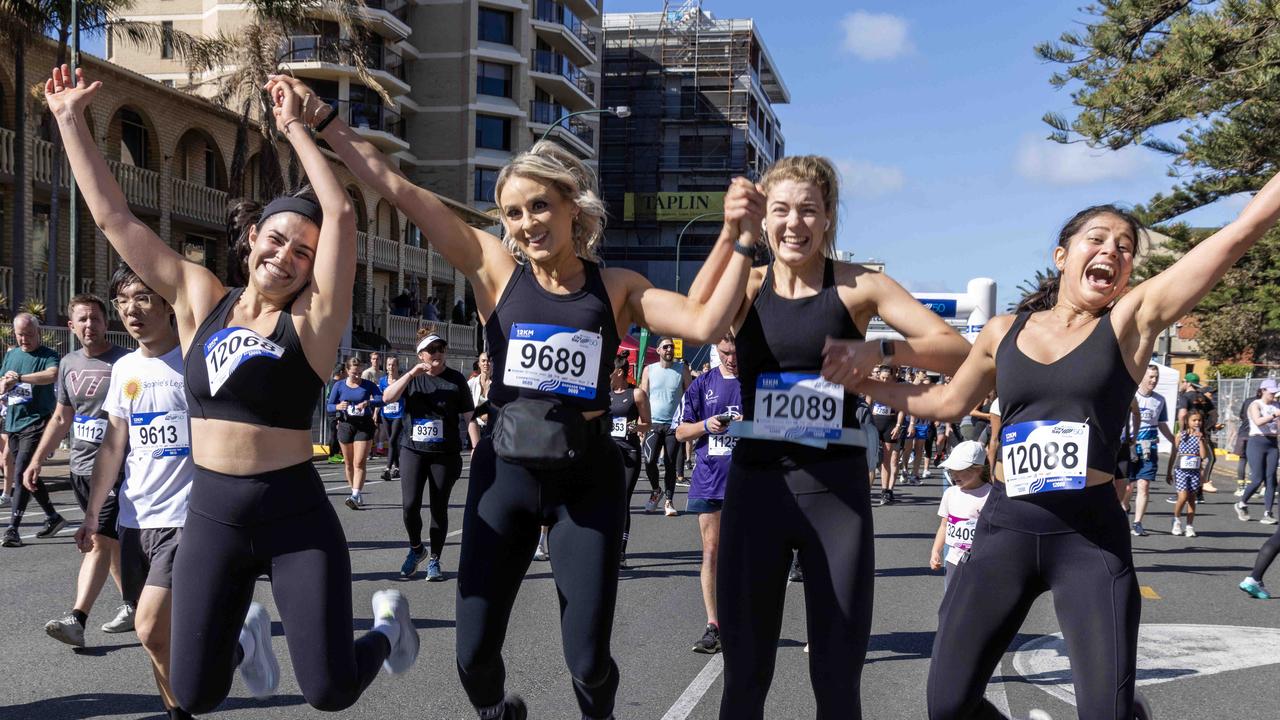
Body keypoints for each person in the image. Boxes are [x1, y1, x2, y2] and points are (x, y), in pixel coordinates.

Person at [303, 61, 755, 717]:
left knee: (589, 659)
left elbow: (707, 322)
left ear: (574, 207)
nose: (526, 223)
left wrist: (739, 239)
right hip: (504, 473)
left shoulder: (618, 288)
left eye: (540, 206)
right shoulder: (494, 270)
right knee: (472, 655)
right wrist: (324, 124)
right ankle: (497, 713)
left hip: (587, 480)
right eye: (513, 213)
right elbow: (397, 189)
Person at [49, 66, 418, 715]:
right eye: (276, 239)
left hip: (294, 515)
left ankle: (389, 629)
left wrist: (298, 129)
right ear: (251, 240)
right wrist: (69, 120)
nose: (286, 255)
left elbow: (338, 213)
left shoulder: (313, 322)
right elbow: (110, 217)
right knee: (193, 694)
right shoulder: (198, 298)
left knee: (329, 691)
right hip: (212, 515)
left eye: (303, 252)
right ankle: (248, 644)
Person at [844, 182, 1280, 718]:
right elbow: (946, 402)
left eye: (1124, 247)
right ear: (1062, 256)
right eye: (1097, 239)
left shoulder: (1129, 324)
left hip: (1089, 537)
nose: (1113, 253)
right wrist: (857, 381)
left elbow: (1236, 237)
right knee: (948, 705)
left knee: (1107, 713)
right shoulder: (1003, 331)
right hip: (1005, 528)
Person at [705, 156, 970, 719]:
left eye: (808, 210)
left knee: (836, 672)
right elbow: (691, 317)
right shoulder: (747, 284)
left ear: (828, 219)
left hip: (836, 492)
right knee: (745, 674)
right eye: (780, 210)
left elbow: (956, 349)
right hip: (758, 488)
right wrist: (733, 235)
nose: (794, 224)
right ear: (765, 218)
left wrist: (878, 352)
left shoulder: (858, 288)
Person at [76, 266, 195, 719]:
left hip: (185, 517)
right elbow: (114, 444)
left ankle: (218, 659)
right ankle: (177, 709)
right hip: (133, 520)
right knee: (160, 636)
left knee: (147, 628)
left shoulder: (193, 362)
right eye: (123, 300)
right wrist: (92, 516)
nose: (131, 309)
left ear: (168, 304)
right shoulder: (125, 367)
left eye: (143, 298)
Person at [26, 294, 133, 645]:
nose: (90, 325)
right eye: (82, 320)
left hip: (116, 469)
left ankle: (77, 619)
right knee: (112, 543)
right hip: (80, 467)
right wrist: (37, 459)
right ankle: (134, 604)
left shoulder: (127, 362)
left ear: (106, 323)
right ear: (71, 326)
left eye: (96, 319)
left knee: (99, 539)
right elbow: (61, 417)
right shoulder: (69, 364)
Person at [382, 330, 474, 581]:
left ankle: (434, 559)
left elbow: (469, 416)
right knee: (410, 506)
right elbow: (387, 397)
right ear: (420, 354)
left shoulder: (456, 379)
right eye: (432, 350)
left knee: (438, 508)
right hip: (412, 449)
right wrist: (411, 373)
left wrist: (477, 447)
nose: (437, 353)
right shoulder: (412, 378)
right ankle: (416, 549)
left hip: (444, 454)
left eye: (441, 348)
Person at [674, 331, 741, 655]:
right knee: (711, 553)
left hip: (747, 483)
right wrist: (707, 424)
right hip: (709, 480)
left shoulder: (757, 384)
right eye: (726, 352)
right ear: (717, 349)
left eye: (736, 351)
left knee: (743, 555)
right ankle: (713, 625)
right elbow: (680, 430)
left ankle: (742, 619)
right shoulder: (702, 384)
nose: (732, 358)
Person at [0, 313, 64, 547]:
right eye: (20, 335)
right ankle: (53, 517)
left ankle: (12, 529)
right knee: (27, 473)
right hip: (14, 421)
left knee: (19, 472)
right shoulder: (12, 355)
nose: (24, 339)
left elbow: (52, 375)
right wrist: (5, 386)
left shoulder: (48, 355)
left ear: (38, 332)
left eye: (29, 334)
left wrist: (20, 378)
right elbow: (2, 382)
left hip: (37, 421)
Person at [928, 441, 991, 593]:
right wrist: (936, 551)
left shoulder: (990, 495)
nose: (953, 474)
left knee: (976, 601)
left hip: (981, 561)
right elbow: (944, 525)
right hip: (954, 560)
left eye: (959, 470)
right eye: (951, 470)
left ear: (977, 469)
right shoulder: (951, 493)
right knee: (951, 601)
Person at [640, 337, 692, 517]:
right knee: (649, 459)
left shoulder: (682, 369)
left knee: (670, 464)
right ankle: (656, 491)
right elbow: (642, 396)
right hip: (653, 422)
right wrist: (642, 421)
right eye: (666, 347)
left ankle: (669, 500)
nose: (670, 349)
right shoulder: (649, 370)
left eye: (671, 346)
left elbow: (689, 395)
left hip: (674, 424)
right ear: (659, 350)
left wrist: (687, 420)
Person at [609, 353, 650, 568]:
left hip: (629, 453)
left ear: (619, 372)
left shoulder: (636, 394)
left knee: (622, 500)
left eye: (609, 371)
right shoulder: (604, 394)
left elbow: (647, 423)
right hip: (608, 453)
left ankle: (621, 552)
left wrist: (634, 427)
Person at [1125, 365, 1175, 536]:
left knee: (1143, 485)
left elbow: (1161, 424)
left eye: (1156, 377)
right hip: (1130, 445)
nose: (1154, 380)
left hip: (1149, 447)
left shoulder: (1159, 400)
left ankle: (1138, 522)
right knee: (1127, 488)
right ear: (1142, 377)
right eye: (1151, 377)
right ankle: (1125, 508)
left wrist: (1174, 440)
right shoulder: (1130, 396)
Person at [328, 356, 382, 509]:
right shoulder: (339, 386)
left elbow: (381, 399)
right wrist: (338, 407)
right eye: (354, 373)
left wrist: (368, 402)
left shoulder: (368, 385)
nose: (357, 376)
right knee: (349, 463)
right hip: (346, 425)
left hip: (364, 425)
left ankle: (355, 494)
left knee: (359, 462)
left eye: (359, 373)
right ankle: (355, 491)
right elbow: (329, 406)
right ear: (347, 371)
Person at [1236, 378, 1280, 524]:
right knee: (1257, 478)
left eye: (1275, 393)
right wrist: (1275, 415)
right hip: (1256, 442)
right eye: (1271, 392)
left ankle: (1268, 512)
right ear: (1263, 390)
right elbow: (1258, 421)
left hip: (1272, 443)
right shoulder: (1255, 404)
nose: (1273, 395)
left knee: (1271, 479)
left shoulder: (1276, 405)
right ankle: (1241, 503)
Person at [1167, 409, 1208, 538]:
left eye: (1199, 420)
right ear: (1188, 421)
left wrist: (1201, 440)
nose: (1197, 423)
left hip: (1195, 471)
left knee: (1192, 499)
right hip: (1181, 470)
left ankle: (1189, 526)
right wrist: (1169, 471)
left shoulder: (1201, 437)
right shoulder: (1181, 435)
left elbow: (1203, 455)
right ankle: (1176, 520)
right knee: (1183, 496)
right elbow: (1174, 454)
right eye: (1194, 420)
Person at [868, 366, 906, 505]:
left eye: (887, 378)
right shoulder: (873, 388)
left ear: (892, 377)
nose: (884, 380)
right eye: (882, 377)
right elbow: (868, 405)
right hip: (875, 422)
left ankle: (885, 491)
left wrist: (898, 425)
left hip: (890, 424)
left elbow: (902, 410)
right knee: (871, 458)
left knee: (886, 459)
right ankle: (868, 490)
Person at [1176, 373, 1219, 491]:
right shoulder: (1204, 397)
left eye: (1183, 381)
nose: (1182, 383)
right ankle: (1197, 492)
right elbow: (1214, 414)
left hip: (1188, 433)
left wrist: (1182, 430)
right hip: (1201, 433)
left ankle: (1183, 491)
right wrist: (1207, 427)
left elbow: (1182, 414)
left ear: (1188, 383)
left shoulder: (1185, 397)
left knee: (1183, 460)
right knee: (1200, 460)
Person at [378, 355, 405, 481]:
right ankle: (398, 468)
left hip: (398, 414)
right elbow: (380, 398)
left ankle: (387, 469)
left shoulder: (401, 380)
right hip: (385, 414)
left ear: (397, 366)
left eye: (393, 364)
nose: (391, 367)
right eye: (389, 364)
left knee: (392, 440)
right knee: (391, 442)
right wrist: (375, 412)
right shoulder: (382, 381)